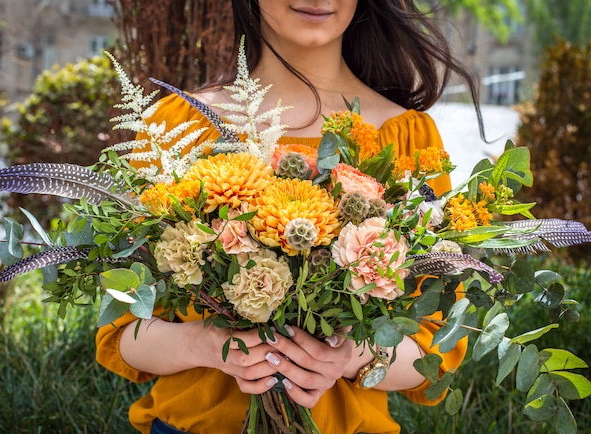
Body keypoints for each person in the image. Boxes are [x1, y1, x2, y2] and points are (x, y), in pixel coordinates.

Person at [96, 1, 479, 432]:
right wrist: (204, 344)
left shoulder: (407, 139)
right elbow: (123, 330)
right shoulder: (176, 128)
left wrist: (348, 358)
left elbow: (435, 350)